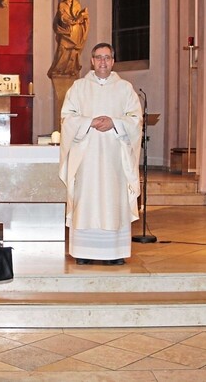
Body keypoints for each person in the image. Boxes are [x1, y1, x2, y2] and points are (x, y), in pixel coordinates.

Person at [59, 43, 142, 266]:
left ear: (113, 61)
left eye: (107, 58)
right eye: (98, 57)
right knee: (87, 200)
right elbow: (67, 118)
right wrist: (89, 123)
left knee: (114, 201)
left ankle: (114, 252)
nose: (103, 62)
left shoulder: (125, 88)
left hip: (115, 158)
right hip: (87, 158)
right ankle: (84, 251)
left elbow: (136, 119)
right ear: (92, 61)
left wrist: (115, 123)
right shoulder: (78, 87)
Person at [47, 0, 89, 78]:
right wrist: (70, 21)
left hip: (75, 31)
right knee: (62, 49)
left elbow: (78, 16)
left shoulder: (77, 4)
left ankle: (70, 69)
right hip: (66, 30)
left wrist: (82, 16)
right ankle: (59, 69)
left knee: (73, 51)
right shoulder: (62, 4)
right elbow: (62, 16)